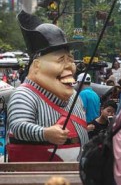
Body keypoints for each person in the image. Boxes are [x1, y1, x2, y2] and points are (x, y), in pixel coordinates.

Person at [6, 11, 88, 162]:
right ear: (37, 66)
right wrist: (44, 133)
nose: (69, 66)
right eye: (60, 60)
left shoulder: (74, 97)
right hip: (36, 174)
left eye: (70, 59)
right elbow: (18, 126)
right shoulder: (24, 95)